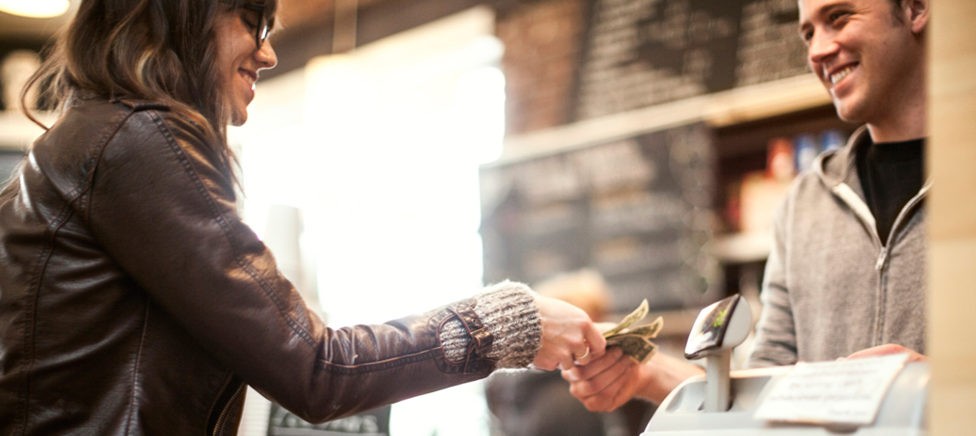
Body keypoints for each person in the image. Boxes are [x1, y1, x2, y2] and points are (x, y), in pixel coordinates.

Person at [0, 1, 608, 435]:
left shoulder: (94, 139)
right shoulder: (138, 138)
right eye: (252, 18)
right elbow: (315, 371)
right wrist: (503, 326)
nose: (267, 52)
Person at [563, 0, 931, 412]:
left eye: (838, 18)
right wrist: (647, 371)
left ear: (916, 9)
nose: (817, 50)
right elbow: (765, 390)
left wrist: (946, 384)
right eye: (808, 33)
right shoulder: (806, 203)